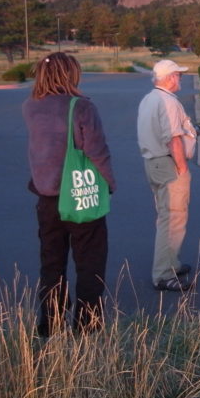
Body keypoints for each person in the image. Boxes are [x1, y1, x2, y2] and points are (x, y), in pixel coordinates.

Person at [23, 52, 116, 336]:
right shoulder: (82, 107)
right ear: (71, 75)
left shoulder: (31, 106)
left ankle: (50, 324)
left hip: (46, 198)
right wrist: (109, 183)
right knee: (90, 263)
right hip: (79, 195)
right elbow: (97, 151)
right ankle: (87, 325)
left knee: (51, 263)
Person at [137, 59, 198, 292]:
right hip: (168, 164)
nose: (180, 78)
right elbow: (173, 138)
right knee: (173, 219)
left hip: (153, 163)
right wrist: (182, 168)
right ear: (170, 77)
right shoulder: (168, 102)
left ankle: (171, 263)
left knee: (165, 216)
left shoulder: (149, 99)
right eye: (178, 75)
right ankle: (164, 274)